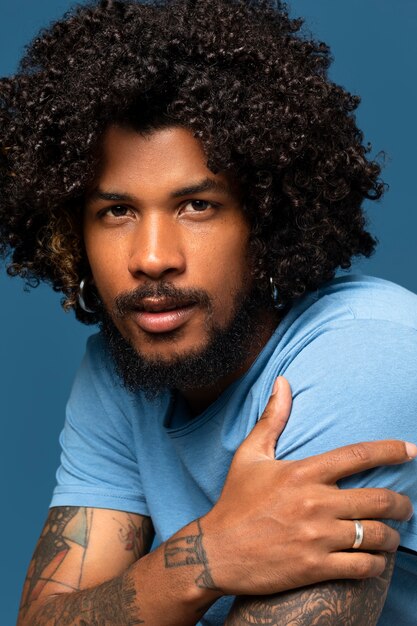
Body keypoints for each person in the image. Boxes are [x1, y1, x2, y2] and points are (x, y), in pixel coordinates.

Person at [1, 0, 416, 624]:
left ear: (266, 222)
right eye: (116, 211)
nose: (152, 258)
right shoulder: (120, 369)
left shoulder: (367, 356)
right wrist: (208, 557)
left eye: (197, 205)